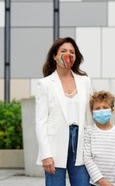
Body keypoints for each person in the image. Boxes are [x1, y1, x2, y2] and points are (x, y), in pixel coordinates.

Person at [35, 37, 93, 186]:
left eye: (72, 52)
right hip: (55, 146)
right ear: (55, 56)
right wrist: (45, 154)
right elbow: (41, 122)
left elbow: (89, 118)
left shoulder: (85, 81)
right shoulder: (45, 84)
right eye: (64, 51)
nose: (68, 54)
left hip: (80, 143)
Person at [84, 91, 115, 186]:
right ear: (91, 111)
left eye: (105, 108)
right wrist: (101, 181)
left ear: (112, 110)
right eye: (97, 108)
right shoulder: (89, 132)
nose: (101, 111)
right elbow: (87, 158)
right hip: (95, 183)